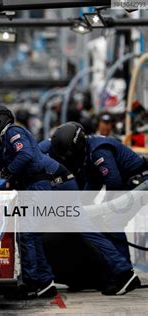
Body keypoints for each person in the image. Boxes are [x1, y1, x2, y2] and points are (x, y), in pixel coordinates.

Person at [0, 104, 75, 299]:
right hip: (30, 189)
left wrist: (9, 173)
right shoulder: (2, 143)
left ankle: (32, 282)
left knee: (27, 235)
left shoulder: (13, 131)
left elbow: (25, 154)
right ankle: (44, 282)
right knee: (29, 235)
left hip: (38, 187)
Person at [41, 122, 146, 295]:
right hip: (124, 184)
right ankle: (115, 271)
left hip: (137, 183)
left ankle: (124, 276)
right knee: (95, 218)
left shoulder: (99, 151)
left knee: (111, 222)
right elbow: (93, 184)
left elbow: (113, 183)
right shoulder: (85, 154)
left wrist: (103, 210)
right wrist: (83, 208)